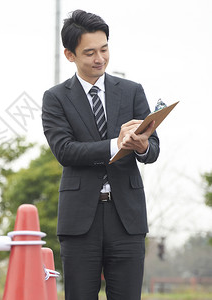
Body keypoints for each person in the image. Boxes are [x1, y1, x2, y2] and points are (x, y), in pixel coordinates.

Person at [41, 10, 160, 300]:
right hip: (80, 220)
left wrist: (142, 145)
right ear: (70, 55)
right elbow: (64, 151)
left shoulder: (132, 91)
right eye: (90, 52)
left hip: (127, 218)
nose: (100, 59)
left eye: (104, 49)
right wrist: (115, 144)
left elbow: (153, 149)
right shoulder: (55, 98)